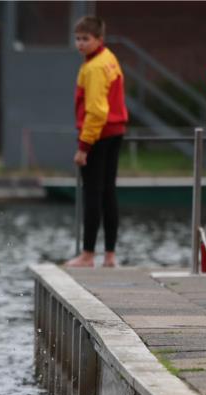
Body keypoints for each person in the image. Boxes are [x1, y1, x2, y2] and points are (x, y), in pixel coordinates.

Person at [65, 15, 129, 269]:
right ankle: (110, 255)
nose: (80, 44)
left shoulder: (92, 68)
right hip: (116, 131)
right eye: (78, 39)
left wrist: (84, 147)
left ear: (98, 39)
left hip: (99, 135)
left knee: (93, 194)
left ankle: (88, 254)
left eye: (85, 39)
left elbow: (96, 111)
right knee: (108, 193)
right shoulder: (109, 58)